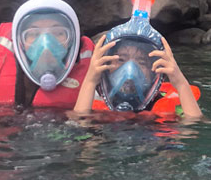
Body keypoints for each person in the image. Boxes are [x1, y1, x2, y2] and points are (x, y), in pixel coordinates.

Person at [73, 34, 202, 118]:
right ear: (105, 68)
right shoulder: (93, 101)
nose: (130, 70)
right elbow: (80, 129)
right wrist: (90, 82)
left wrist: (180, 83)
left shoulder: (162, 106)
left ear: (154, 72)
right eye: (121, 60)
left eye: (141, 63)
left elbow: (194, 132)